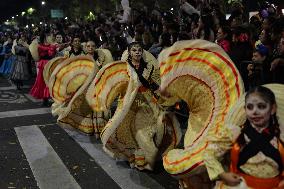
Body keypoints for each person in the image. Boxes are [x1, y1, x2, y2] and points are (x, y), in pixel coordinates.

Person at [93, 42, 180, 171]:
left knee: (145, 130)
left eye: (139, 50)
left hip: (146, 101)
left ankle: (146, 159)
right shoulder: (124, 67)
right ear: (130, 53)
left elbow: (153, 85)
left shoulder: (148, 67)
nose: (137, 52)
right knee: (128, 130)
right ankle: (135, 158)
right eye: (134, 50)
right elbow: (118, 85)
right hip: (128, 102)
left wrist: (166, 95)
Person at [204, 86, 284, 189]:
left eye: (261, 106)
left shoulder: (281, 135)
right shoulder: (235, 133)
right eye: (250, 107)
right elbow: (209, 154)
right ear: (245, 110)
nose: (255, 111)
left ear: (273, 109)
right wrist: (222, 175)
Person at [29, 31, 57, 106]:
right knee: (43, 82)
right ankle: (45, 100)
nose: (51, 37)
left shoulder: (48, 45)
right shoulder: (40, 46)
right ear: (45, 37)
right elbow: (50, 53)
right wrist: (53, 46)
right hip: (44, 64)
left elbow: (52, 54)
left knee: (48, 82)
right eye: (50, 36)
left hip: (49, 64)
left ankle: (46, 100)